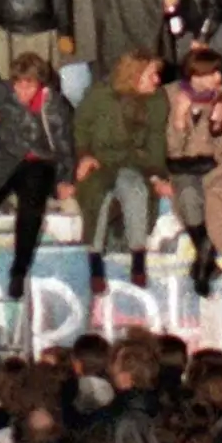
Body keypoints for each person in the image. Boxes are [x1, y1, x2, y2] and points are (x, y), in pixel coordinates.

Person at [0, 51, 73, 301]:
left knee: (31, 210)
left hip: (37, 160)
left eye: (29, 85)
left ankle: (19, 270)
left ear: (39, 84)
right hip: (0, 157)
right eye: (19, 84)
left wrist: (65, 177)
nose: (22, 90)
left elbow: (64, 144)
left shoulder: (53, 104)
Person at [72, 52, 169, 295]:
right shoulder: (99, 96)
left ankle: (138, 256)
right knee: (98, 196)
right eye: (151, 75)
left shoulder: (157, 101)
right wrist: (83, 155)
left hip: (132, 162)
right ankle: (95, 260)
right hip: (99, 161)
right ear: (134, 76)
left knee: (135, 190)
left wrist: (157, 174)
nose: (157, 80)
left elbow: (156, 142)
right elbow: (79, 127)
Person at [163, 44, 222, 296]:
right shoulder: (169, 95)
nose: (218, 78)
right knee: (187, 196)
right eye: (212, 73)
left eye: (219, 72)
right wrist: (178, 120)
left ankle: (203, 260)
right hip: (180, 164)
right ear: (195, 76)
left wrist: (218, 123)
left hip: (211, 163)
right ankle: (206, 256)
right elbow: (170, 147)